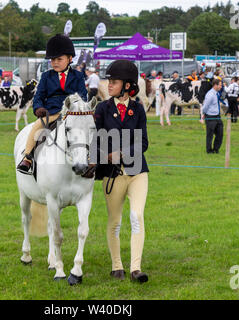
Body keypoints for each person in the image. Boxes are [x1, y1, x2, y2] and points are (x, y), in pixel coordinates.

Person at [93, 60, 149, 283]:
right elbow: (97, 139)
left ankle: (136, 268)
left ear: (127, 85)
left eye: (113, 82)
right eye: (109, 81)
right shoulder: (102, 109)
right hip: (113, 175)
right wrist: (106, 155)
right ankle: (117, 265)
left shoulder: (138, 108)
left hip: (137, 172)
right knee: (115, 220)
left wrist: (123, 153)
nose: (109, 85)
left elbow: (143, 141)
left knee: (136, 216)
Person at [17, 34, 88, 174]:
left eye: (59, 59)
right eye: (52, 59)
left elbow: (83, 96)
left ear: (70, 58)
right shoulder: (46, 76)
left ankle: (91, 158)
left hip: (72, 113)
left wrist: (77, 109)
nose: (55, 62)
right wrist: (39, 108)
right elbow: (38, 96)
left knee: (89, 129)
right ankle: (28, 158)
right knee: (37, 126)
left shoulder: (78, 76)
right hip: (51, 113)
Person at [201, 79, 224, 153]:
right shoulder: (210, 94)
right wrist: (203, 114)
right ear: (215, 85)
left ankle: (216, 149)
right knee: (210, 135)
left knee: (220, 134)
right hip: (210, 117)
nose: (221, 86)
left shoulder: (217, 93)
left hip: (217, 116)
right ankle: (209, 150)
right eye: (220, 85)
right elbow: (205, 106)